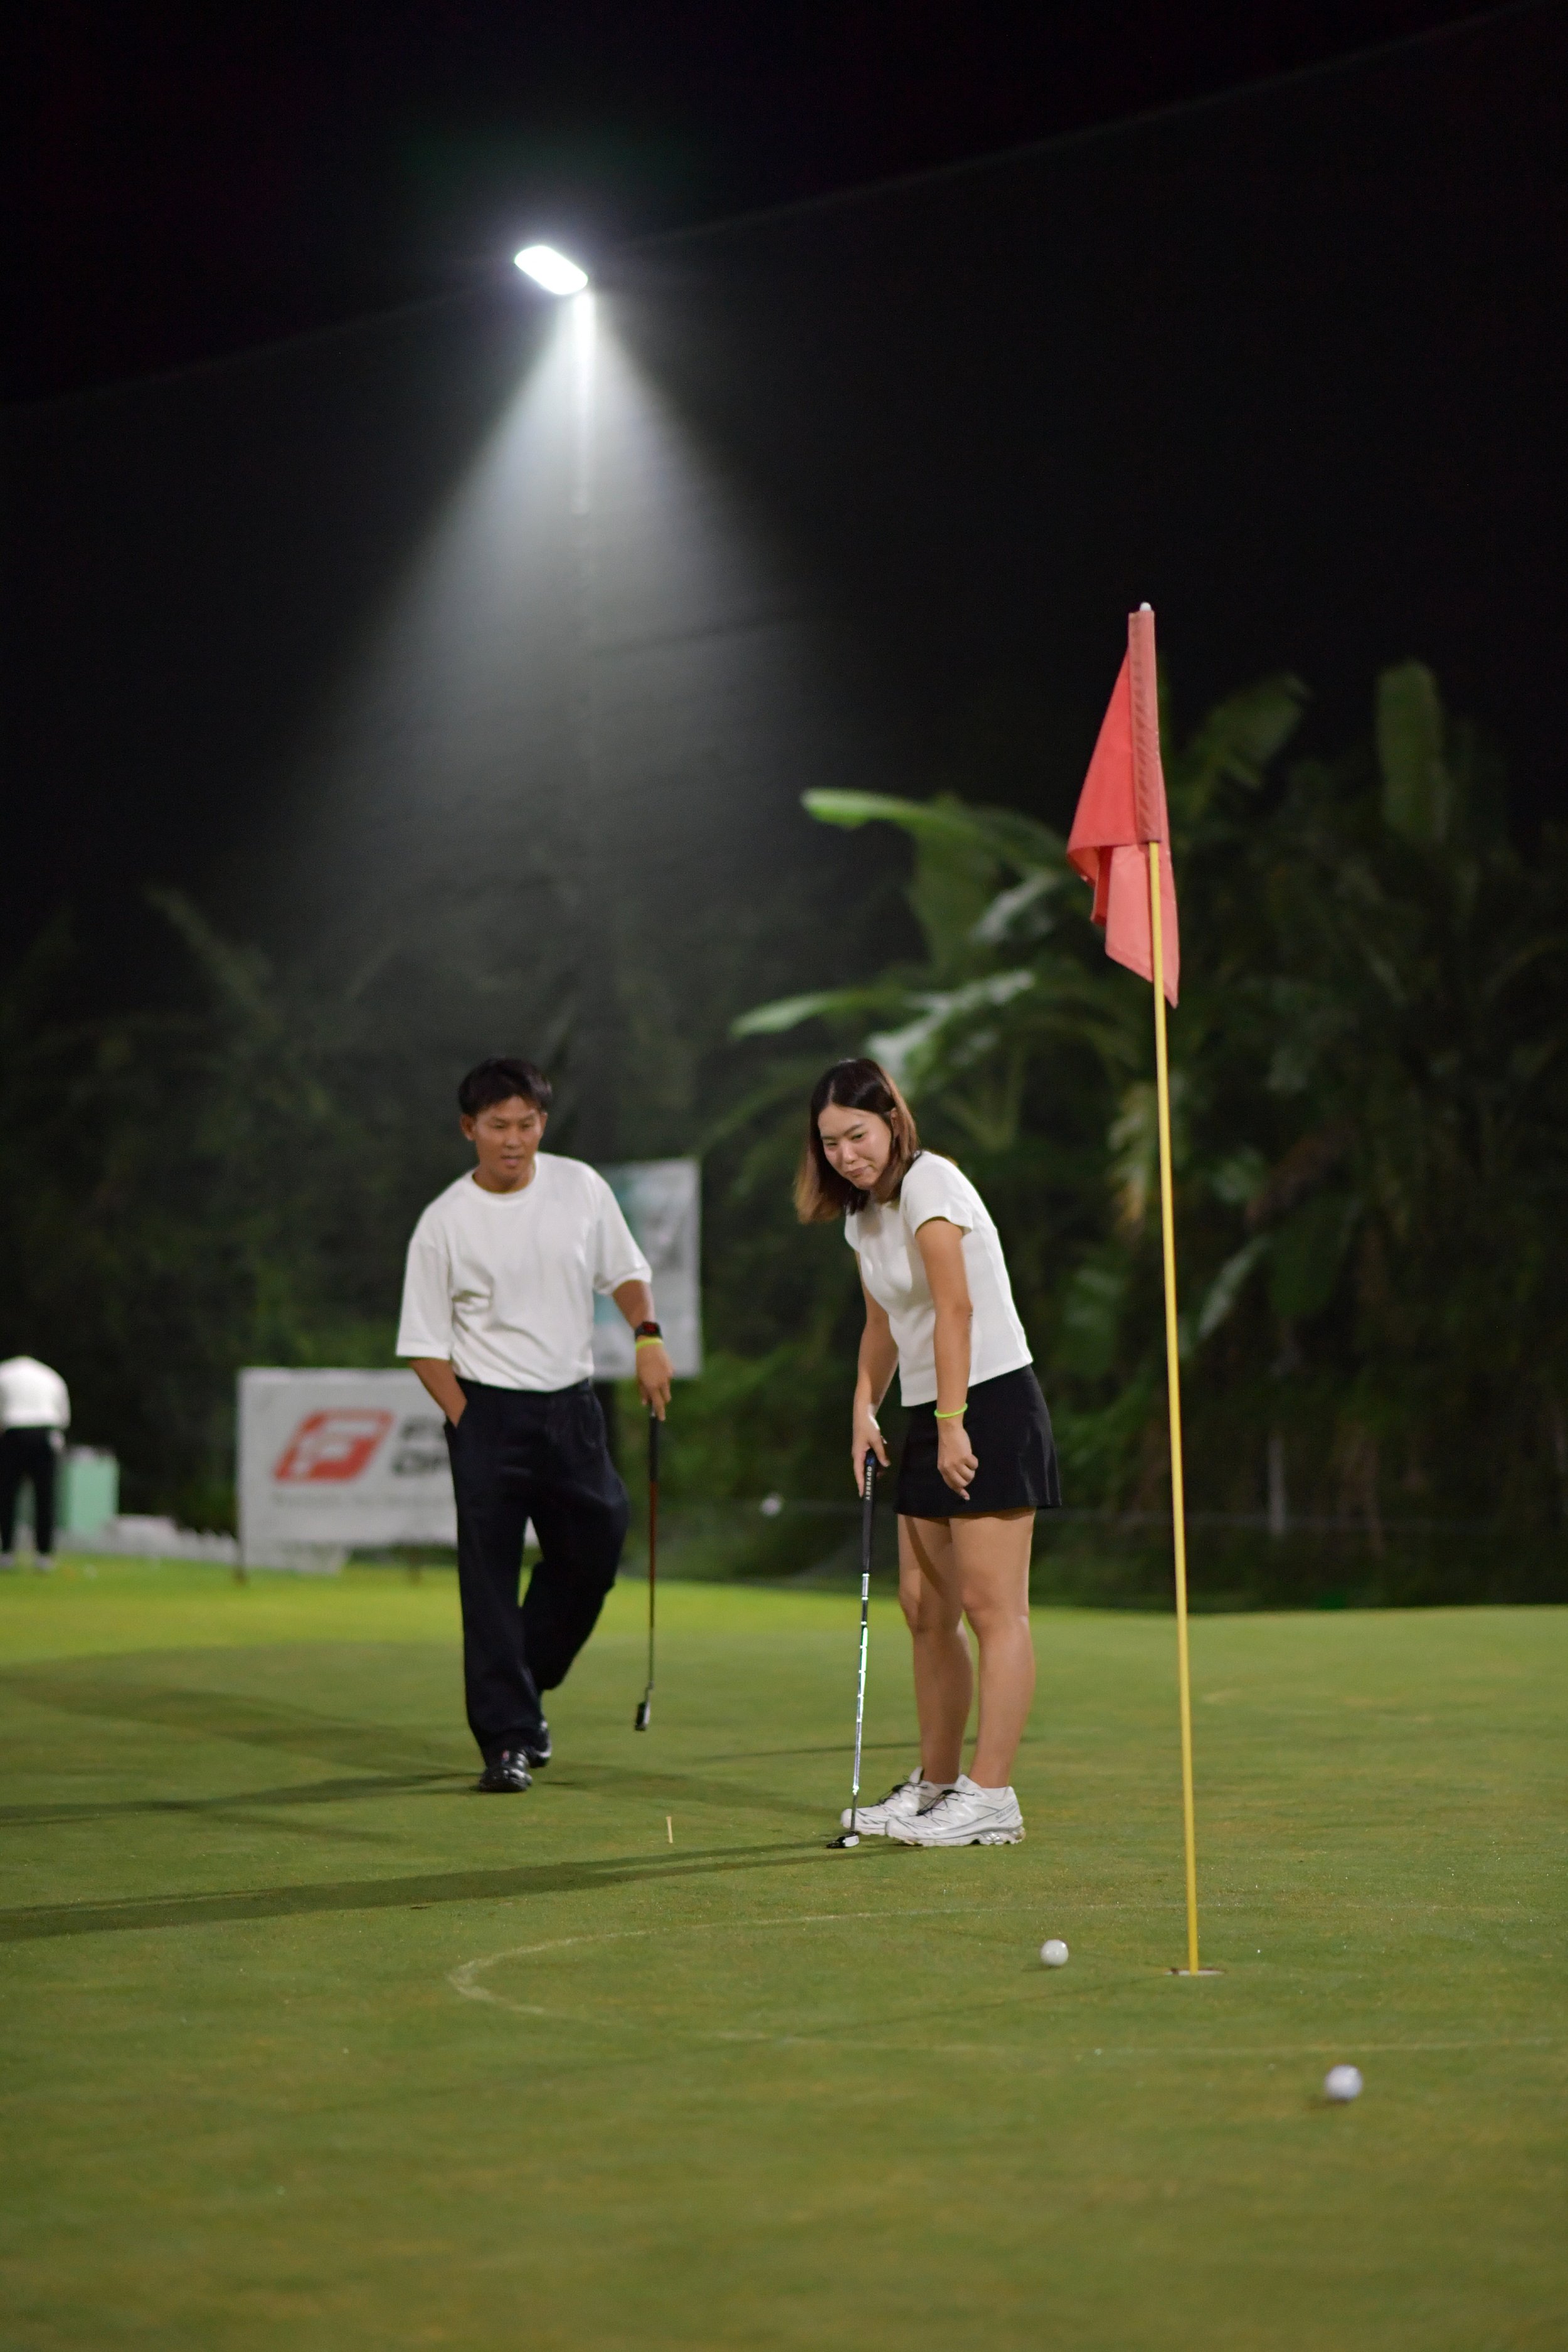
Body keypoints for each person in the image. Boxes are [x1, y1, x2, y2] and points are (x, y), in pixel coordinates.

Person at [798, 1058, 1060, 1846]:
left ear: (891, 1122)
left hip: (989, 1402)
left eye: (858, 1134)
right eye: (830, 1142)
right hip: (928, 1408)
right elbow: (883, 1325)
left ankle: (992, 1797)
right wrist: (860, 1409)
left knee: (992, 1609)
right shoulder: (862, 1218)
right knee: (925, 1610)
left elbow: (955, 1306)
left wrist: (952, 1422)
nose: (847, 1154)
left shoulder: (930, 1184)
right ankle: (938, 1785)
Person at [397, 1057, 672, 1792]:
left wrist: (647, 1336)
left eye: (525, 1125)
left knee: (598, 1540)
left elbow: (624, 1271)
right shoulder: (443, 1223)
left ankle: (524, 1676)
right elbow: (423, 1348)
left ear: (542, 1125)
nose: (513, 1140)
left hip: (571, 1407)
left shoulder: (580, 1187)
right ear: (469, 1130)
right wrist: (471, 1421)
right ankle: (508, 1740)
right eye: (497, 1127)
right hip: (486, 1408)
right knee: (487, 1580)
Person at [0, 1355, 71, 1569]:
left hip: (14, 1433)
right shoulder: (51, 1376)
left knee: (7, 1494)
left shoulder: (4, 1373)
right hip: (45, 1433)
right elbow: (64, 1417)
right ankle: (44, 1554)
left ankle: (7, 1552)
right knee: (45, 1496)